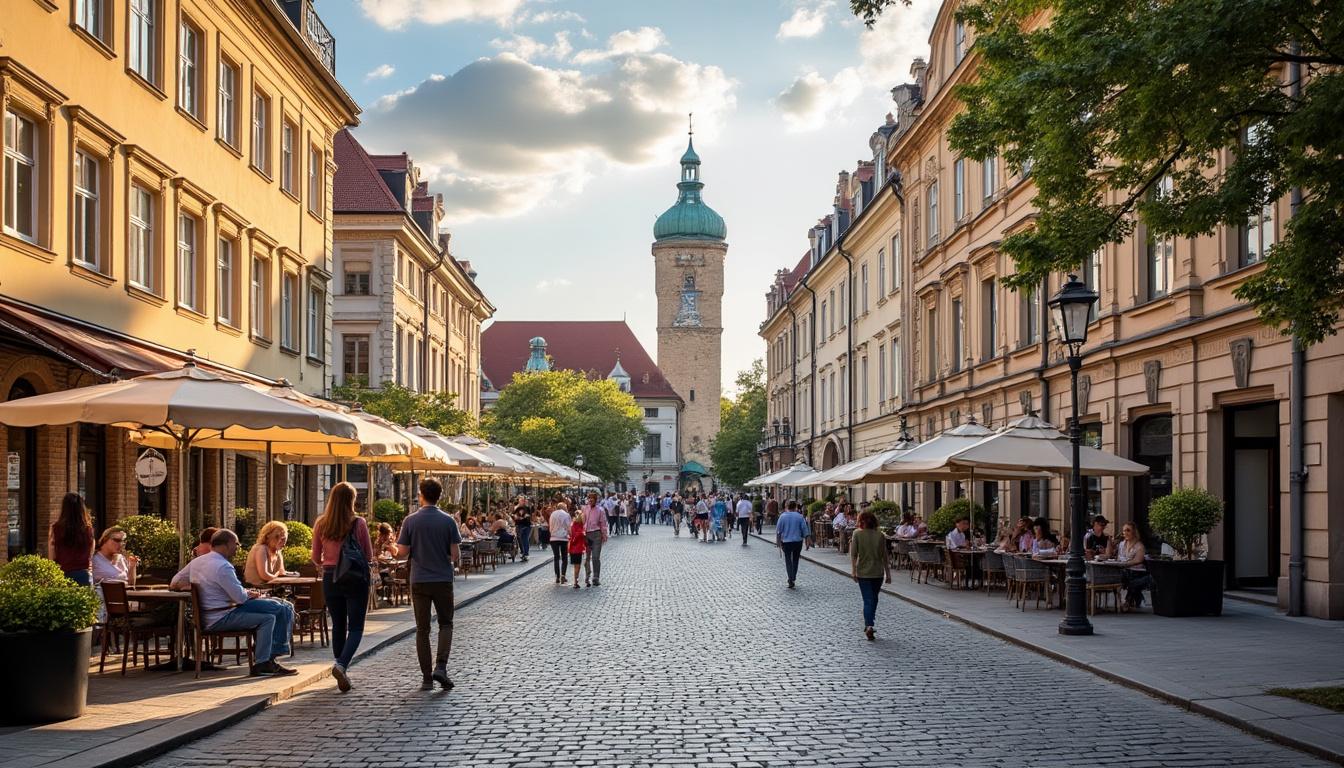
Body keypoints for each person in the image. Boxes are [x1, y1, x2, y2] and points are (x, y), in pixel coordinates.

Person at [170, 529, 297, 676]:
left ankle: (268, 660)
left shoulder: (197, 562)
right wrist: (249, 594)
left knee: (284, 606)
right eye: (236, 544)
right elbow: (240, 598)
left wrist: (194, 586)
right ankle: (267, 660)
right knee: (273, 615)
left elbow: (174, 581)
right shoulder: (223, 566)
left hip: (210, 614)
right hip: (223, 616)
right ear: (226, 544)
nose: (238, 547)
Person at [396, 478, 462, 691]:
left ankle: (426, 678)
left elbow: (402, 552)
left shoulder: (410, 521)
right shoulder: (448, 521)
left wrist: (394, 550)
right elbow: (455, 555)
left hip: (419, 580)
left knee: (422, 629)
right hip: (442, 579)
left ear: (421, 495)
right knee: (446, 624)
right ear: (440, 496)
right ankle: (440, 666)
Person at [312, 481, 375, 693]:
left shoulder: (321, 523)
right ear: (351, 500)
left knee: (338, 625)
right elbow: (368, 555)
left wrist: (329, 561)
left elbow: (315, 557)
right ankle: (341, 665)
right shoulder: (358, 523)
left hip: (330, 577)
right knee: (355, 627)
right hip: (354, 576)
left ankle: (341, 667)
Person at [850, 510, 892, 641]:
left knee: (868, 599)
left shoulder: (857, 534)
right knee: (874, 598)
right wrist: (888, 573)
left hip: (863, 572)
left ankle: (869, 625)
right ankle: (869, 623)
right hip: (877, 572)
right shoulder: (880, 535)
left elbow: (853, 554)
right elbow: (884, 556)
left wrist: (853, 571)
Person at [49, 493, 94, 585]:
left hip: (61, 573)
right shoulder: (88, 529)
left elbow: (52, 553)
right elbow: (91, 551)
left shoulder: (55, 528)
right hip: (82, 573)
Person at [775, 499, 813, 589]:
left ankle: (790, 578)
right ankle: (793, 577)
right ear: (795, 507)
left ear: (787, 507)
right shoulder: (800, 516)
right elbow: (805, 530)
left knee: (788, 560)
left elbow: (778, 530)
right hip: (797, 541)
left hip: (786, 542)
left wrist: (778, 542)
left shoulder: (782, 516)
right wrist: (807, 540)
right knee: (795, 560)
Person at [246, 521, 296, 586]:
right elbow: (264, 575)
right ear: (267, 536)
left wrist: (294, 574)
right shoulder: (261, 549)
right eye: (277, 537)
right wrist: (275, 576)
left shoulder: (277, 551)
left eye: (283, 539)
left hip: (269, 587)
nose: (281, 541)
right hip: (255, 587)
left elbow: (281, 572)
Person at [1116, 523, 1152, 610]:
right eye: (1124, 530)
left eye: (1128, 530)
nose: (1125, 533)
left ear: (1134, 532)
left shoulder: (1139, 546)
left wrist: (1125, 563)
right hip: (1124, 570)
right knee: (1125, 577)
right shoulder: (1121, 544)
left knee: (1131, 580)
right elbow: (1118, 558)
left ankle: (1128, 601)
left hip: (1136, 572)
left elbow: (1138, 560)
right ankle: (1137, 598)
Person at [581, 492, 610, 586]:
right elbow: (582, 521)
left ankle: (596, 577)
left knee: (595, 557)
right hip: (586, 535)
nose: (590, 500)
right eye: (589, 498)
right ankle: (587, 575)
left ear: (596, 500)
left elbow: (603, 523)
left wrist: (604, 535)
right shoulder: (585, 509)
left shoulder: (600, 510)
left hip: (596, 534)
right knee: (587, 557)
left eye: (592, 498)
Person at [548, 500, 572, 584]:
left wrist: (552, 533)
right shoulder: (566, 515)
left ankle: (557, 576)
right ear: (563, 507)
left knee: (556, 557)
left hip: (554, 538)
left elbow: (550, 526)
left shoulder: (552, 514)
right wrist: (571, 535)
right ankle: (563, 575)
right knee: (564, 557)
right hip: (563, 538)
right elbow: (569, 527)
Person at [568, 510, 588, 588]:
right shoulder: (578, 525)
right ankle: (575, 582)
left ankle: (576, 581)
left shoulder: (574, 524)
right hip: (577, 548)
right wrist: (582, 534)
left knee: (576, 566)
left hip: (574, 548)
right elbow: (576, 536)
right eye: (584, 518)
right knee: (577, 566)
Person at [513, 497, 533, 562]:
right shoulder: (517, 508)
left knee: (525, 539)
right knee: (521, 540)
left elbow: (528, 516)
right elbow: (514, 515)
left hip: (525, 525)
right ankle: (524, 553)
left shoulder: (527, 508)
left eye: (523, 501)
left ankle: (526, 554)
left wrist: (522, 517)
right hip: (519, 525)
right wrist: (516, 517)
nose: (522, 502)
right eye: (521, 501)